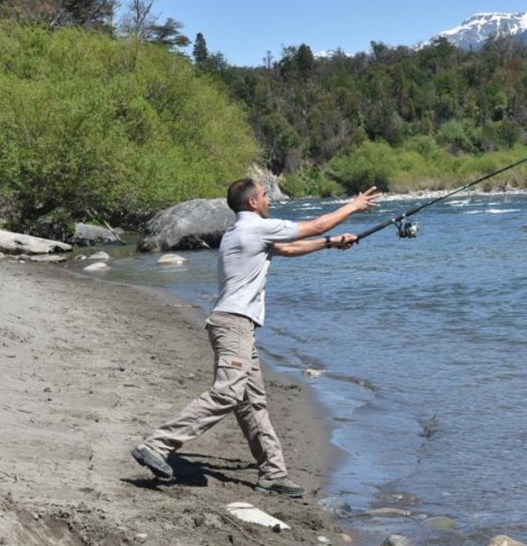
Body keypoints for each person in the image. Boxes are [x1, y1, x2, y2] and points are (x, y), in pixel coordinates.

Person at [131, 178, 381, 497]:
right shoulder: (254, 228)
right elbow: (315, 225)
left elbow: (290, 247)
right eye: (264, 195)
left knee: (252, 402)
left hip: (237, 325)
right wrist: (353, 206)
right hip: (233, 324)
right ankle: (157, 445)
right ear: (252, 203)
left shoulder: (242, 231)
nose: (268, 200)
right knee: (228, 393)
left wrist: (331, 243)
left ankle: (273, 473)